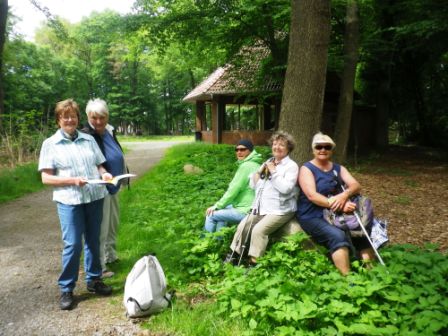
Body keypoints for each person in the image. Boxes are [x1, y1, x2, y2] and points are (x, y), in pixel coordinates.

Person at [38, 99, 113, 311]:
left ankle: (94, 281)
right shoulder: (50, 144)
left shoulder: (88, 140)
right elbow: (46, 179)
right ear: (58, 120)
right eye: (65, 116)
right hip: (69, 201)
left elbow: (99, 165)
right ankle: (67, 288)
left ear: (78, 118)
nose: (70, 120)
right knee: (73, 244)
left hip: (94, 197)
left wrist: (105, 174)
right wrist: (72, 180)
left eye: (73, 116)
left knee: (93, 240)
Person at [296, 132, 375, 275]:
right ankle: (347, 279)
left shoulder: (338, 168)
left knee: (361, 232)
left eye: (327, 147)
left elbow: (355, 185)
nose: (323, 150)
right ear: (313, 149)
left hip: (335, 214)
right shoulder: (306, 169)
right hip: (313, 215)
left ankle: (371, 272)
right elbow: (312, 196)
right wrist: (341, 205)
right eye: (319, 147)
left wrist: (345, 194)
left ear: (332, 150)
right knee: (337, 235)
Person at [227, 131, 299, 266]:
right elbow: (253, 185)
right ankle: (234, 255)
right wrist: (258, 173)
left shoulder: (291, 166)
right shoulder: (269, 162)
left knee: (258, 230)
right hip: (263, 206)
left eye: (281, 145)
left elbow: (286, 189)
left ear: (288, 148)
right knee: (243, 225)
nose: (277, 147)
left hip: (281, 209)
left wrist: (273, 172)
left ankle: (254, 262)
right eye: (275, 144)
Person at [81, 98, 127, 278]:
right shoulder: (86, 135)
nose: (98, 122)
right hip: (99, 188)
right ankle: (99, 266)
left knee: (112, 224)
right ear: (88, 117)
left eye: (102, 117)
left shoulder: (109, 131)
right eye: (94, 118)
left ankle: (110, 255)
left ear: (107, 116)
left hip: (114, 185)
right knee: (100, 228)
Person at [204, 139, 262, 233]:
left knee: (210, 215)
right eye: (237, 149)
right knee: (221, 215)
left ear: (250, 151)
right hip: (250, 207)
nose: (239, 152)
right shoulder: (255, 164)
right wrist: (220, 206)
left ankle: (203, 243)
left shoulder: (246, 166)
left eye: (243, 149)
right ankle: (219, 241)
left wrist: (217, 206)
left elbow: (233, 190)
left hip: (244, 210)